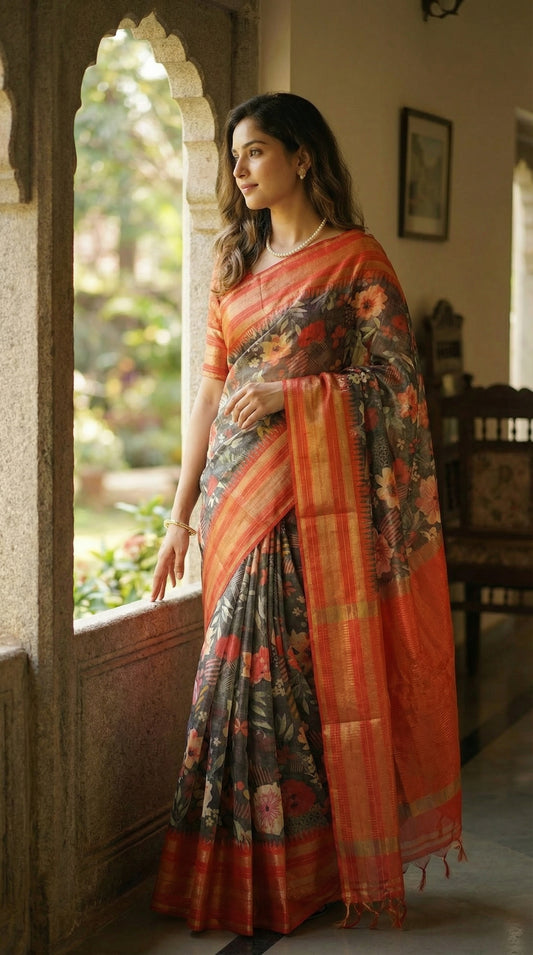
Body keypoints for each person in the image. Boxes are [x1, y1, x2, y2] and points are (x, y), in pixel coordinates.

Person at [150, 92, 463, 936]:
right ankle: (235, 876)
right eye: (234, 156)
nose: (240, 170)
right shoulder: (232, 264)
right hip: (231, 497)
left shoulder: (355, 262)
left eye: (253, 151)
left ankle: (307, 873)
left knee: (279, 680)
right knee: (231, 675)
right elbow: (208, 395)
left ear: (302, 157)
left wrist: (295, 396)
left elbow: (395, 386)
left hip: (309, 509)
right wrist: (180, 517)